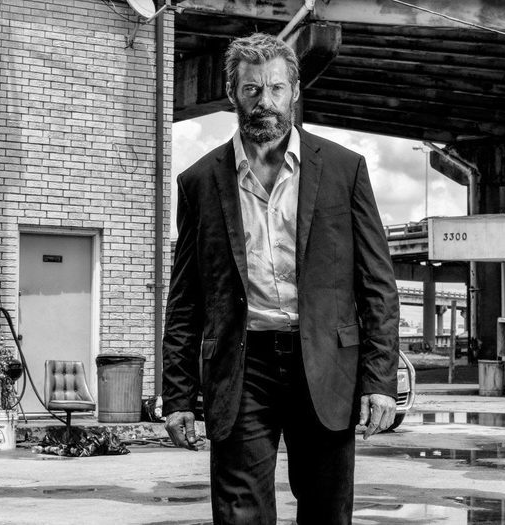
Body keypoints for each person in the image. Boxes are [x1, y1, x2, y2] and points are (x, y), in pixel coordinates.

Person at [162, 32, 400, 525]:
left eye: (275, 88)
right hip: (241, 367)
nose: (264, 101)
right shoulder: (199, 182)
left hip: (326, 365)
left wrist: (380, 382)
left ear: (294, 91)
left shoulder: (344, 170)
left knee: (327, 513)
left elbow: (377, 285)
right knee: (239, 514)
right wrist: (178, 395)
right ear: (233, 93)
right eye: (252, 89)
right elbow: (185, 299)